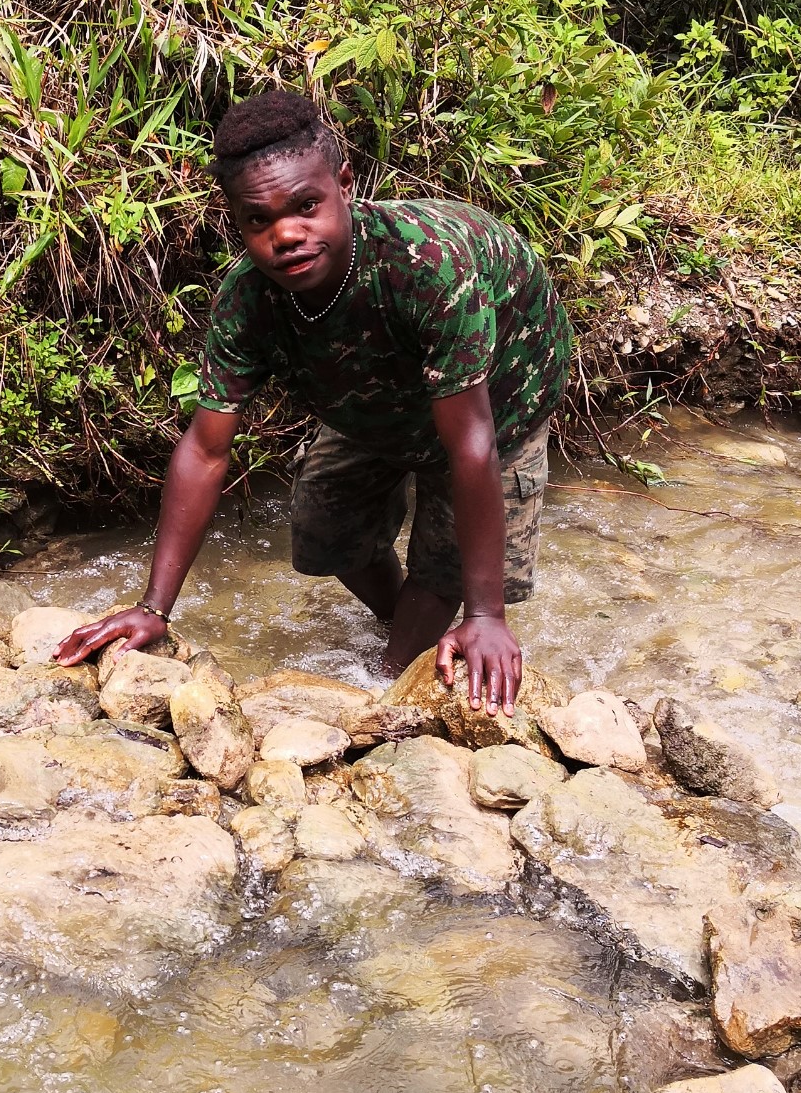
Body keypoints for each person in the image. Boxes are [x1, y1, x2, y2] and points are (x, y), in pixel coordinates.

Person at [54, 89, 573, 712]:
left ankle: (402, 668)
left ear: (345, 185)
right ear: (239, 223)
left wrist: (485, 611)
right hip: (374, 393)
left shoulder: (427, 267)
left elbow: (470, 444)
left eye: (306, 206)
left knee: (436, 587)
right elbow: (206, 446)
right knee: (327, 529)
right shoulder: (248, 302)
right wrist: (153, 608)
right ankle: (414, 627)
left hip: (500, 394)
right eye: (259, 220)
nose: (287, 235)